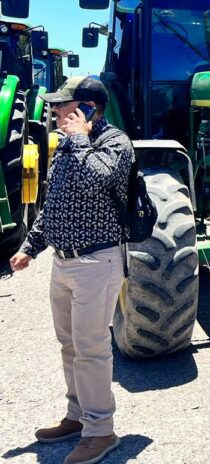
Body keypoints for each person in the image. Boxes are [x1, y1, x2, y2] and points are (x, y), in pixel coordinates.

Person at [9, 76, 133, 464]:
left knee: (92, 350)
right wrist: (31, 246)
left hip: (98, 261)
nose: (55, 111)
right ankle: (78, 417)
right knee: (71, 346)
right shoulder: (66, 145)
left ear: (88, 109)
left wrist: (79, 138)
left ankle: (101, 431)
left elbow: (101, 178)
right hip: (64, 262)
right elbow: (56, 201)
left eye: (63, 106)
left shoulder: (116, 143)